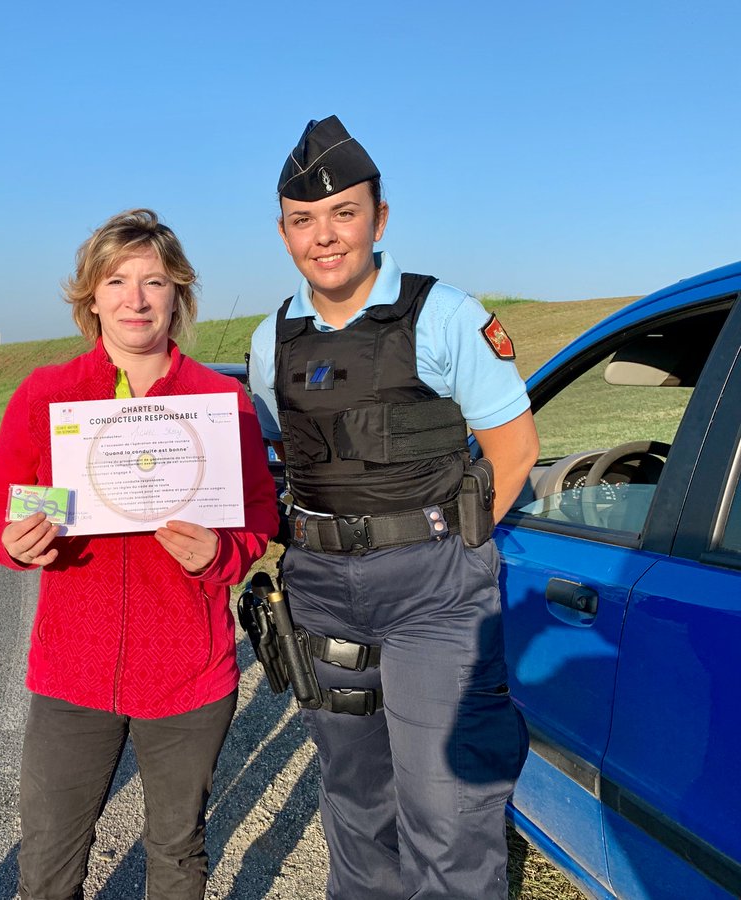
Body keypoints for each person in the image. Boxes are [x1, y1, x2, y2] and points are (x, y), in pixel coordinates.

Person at [247, 116, 540, 899]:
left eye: (344, 213)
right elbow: (282, 459)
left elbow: (513, 453)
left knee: (449, 814)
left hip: (433, 596)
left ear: (379, 218)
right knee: (354, 805)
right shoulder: (269, 339)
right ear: (284, 234)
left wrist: (454, 549)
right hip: (321, 596)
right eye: (304, 220)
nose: (325, 236)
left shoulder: (445, 315)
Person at [0, 209, 278, 900]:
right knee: (49, 864)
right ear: (91, 296)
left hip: (187, 674)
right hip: (72, 674)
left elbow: (260, 514)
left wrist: (223, 554)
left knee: (175, 854)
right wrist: (15, 539)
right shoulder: (47, 395)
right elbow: (0, 503)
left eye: (154, 281)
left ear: (179, 294)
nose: (136, 298)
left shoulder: (221, 400)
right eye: (117, 280)